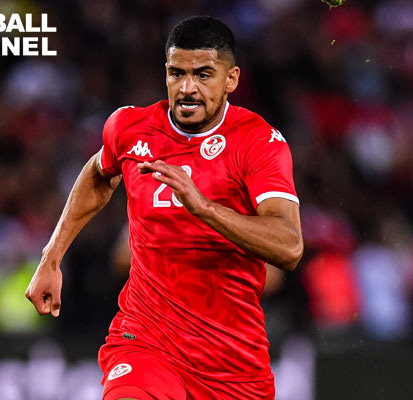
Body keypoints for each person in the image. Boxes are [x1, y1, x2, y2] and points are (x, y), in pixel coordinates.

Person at [26, 15, 303, 400]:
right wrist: (52, 256)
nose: (187, 88)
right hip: (145, 341)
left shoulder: (258, 143)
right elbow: (98, 173)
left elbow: (289, 246)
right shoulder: (130, 128)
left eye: (203, 75)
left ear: (231, 79)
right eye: (177, 74)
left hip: (231, 361)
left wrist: (204, 208)